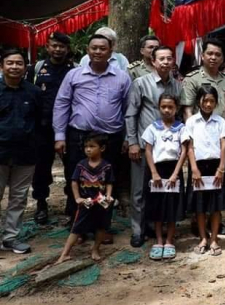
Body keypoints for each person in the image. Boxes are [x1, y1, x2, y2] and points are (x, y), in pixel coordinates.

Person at [54, 34, 131, 226]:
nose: (97, 52)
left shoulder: (122, 77)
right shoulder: (74, 75)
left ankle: (101, 226)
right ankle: (77, 224)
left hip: (110, 138)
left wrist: (128, 137)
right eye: (94, 48)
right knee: (75, 178)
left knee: (107, 181)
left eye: (102, 48)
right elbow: (62, 104)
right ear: (87, 51)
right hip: (79, 136)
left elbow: (128, 109)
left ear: (110, 52)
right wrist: (59, 136)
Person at [125, 45, 182, 248]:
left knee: (161, 189)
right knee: (139, 191)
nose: (166, 62)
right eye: (161, 59)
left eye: (169, 58)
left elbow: (179, 115)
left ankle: (155, 226)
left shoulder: (177, 86)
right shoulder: (141, 83)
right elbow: (131, 114)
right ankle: (138, 231)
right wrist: (132, 142)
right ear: (153, 61)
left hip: (168, 150)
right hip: (144, 146)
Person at [0, 49, 42, 254]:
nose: (14, 67)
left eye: (19, 63)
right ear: (2, 66)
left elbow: (41, 122)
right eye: (10, 63)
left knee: (18, 197)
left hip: (26, 154)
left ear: (25, 68)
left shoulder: (34, 92)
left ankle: (11, 238)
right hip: (0, 153)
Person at [32, 32, 75, 225]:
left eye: (62, 46)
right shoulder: (37, 69)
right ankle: (41, 204)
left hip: (69, 128)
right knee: (41, 168)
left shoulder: (75, 70)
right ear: (47, 47)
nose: (58, 49)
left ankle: (71, 205)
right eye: (54, 45)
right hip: (42, 128)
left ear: (67, 49)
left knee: (71, 166)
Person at [184, 85, 225, 256]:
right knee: (200, 206)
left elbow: (224, 145)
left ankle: (214, 239)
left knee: (216, 206)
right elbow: (189, 147)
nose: (208, 104)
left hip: (216, 166)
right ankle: (203, 238)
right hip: (199, 166)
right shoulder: (191, 121)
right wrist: (194, 168)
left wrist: (221, 168)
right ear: (199, 101)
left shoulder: (220, 122)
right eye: (205, 101)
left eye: (212, 101)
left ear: (216, 102)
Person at [56, 132, 115, 264]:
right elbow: (74, 182)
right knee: (76, 227)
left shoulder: (107, 166)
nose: (88, 149)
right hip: (86, 202)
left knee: (101, 226)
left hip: (101, 201)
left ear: (102, 148)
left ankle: (95, 249)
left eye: (92, 146)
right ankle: (65, 253)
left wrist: (108, 195)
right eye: (86, 146)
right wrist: (77, 198)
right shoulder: (81, 165)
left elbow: (109, 182)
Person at [142, 94, 187, 261]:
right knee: (158, 206)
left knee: (172, 206)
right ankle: (159, 241)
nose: (167, 110)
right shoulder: (152, 128)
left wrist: (175, 174)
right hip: (156, 171)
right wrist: (154, 172)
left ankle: (169, 241)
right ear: (159, 108)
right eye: (163, 107)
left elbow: (184, 151)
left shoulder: (181, 128)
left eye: (170, 107)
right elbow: (148, 150)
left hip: (173, 170)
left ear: (176, 108)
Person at [181, 37, 225, 121]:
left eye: (218, 55)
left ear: (222, 59)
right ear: (202, 56)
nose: (213, 57)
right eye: (210, 53)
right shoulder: (192, 79)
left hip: (223, 128)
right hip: (200, 128)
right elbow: (187, 111)